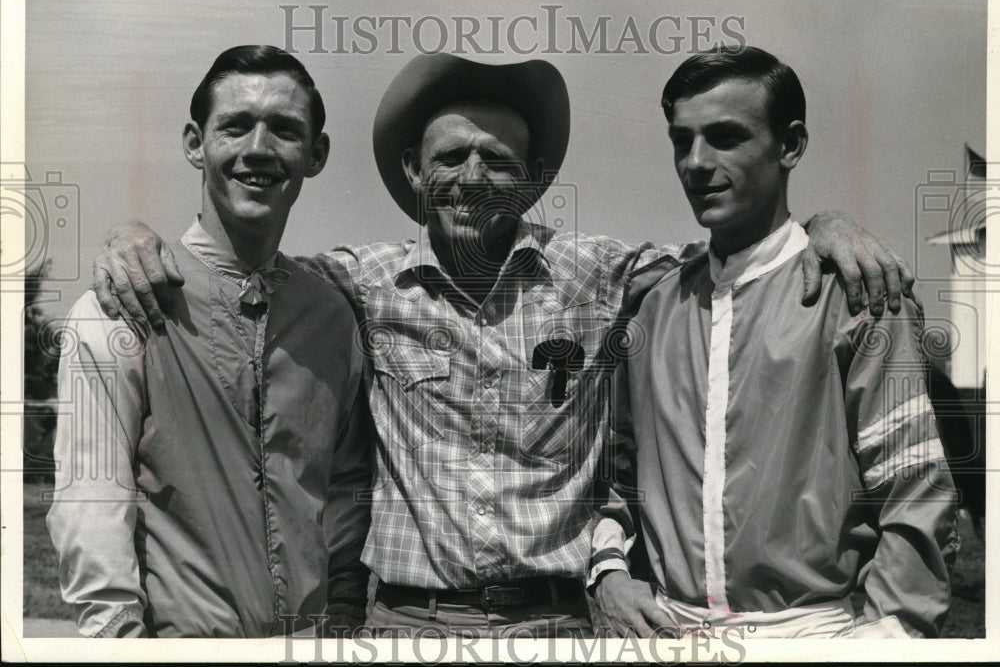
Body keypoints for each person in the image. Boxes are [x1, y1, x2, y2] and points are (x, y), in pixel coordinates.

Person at [89, 52, 915, 636]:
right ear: (413, 172)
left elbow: (739, 257)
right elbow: (241, 268)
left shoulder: (604, 275)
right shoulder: (358, 284)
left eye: (498, 159)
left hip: (560, 621)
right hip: (405, 624)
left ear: (535, 175)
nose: (472, 177)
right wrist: (132, 236)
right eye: (449, 157)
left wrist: (824, 227)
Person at [590, 46, 959, 638]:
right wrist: (608, 568)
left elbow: (915, 491)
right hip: (665, 632)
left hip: (816, 633)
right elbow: (616, 478)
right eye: (681, 141)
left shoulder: (857, 297)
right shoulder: (653, 308)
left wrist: (889, 636)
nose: (696, 162)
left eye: (725, 137)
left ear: (789, 145)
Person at [46, 46, 371, 637]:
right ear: (196, 143)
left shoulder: (332, 315)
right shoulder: (121, 303)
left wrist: (343, 612)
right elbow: (91, 494)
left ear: (316, 154)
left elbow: (344, 483)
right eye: (236, 126)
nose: (258, 149)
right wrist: (118, 638)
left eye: (285, 130)